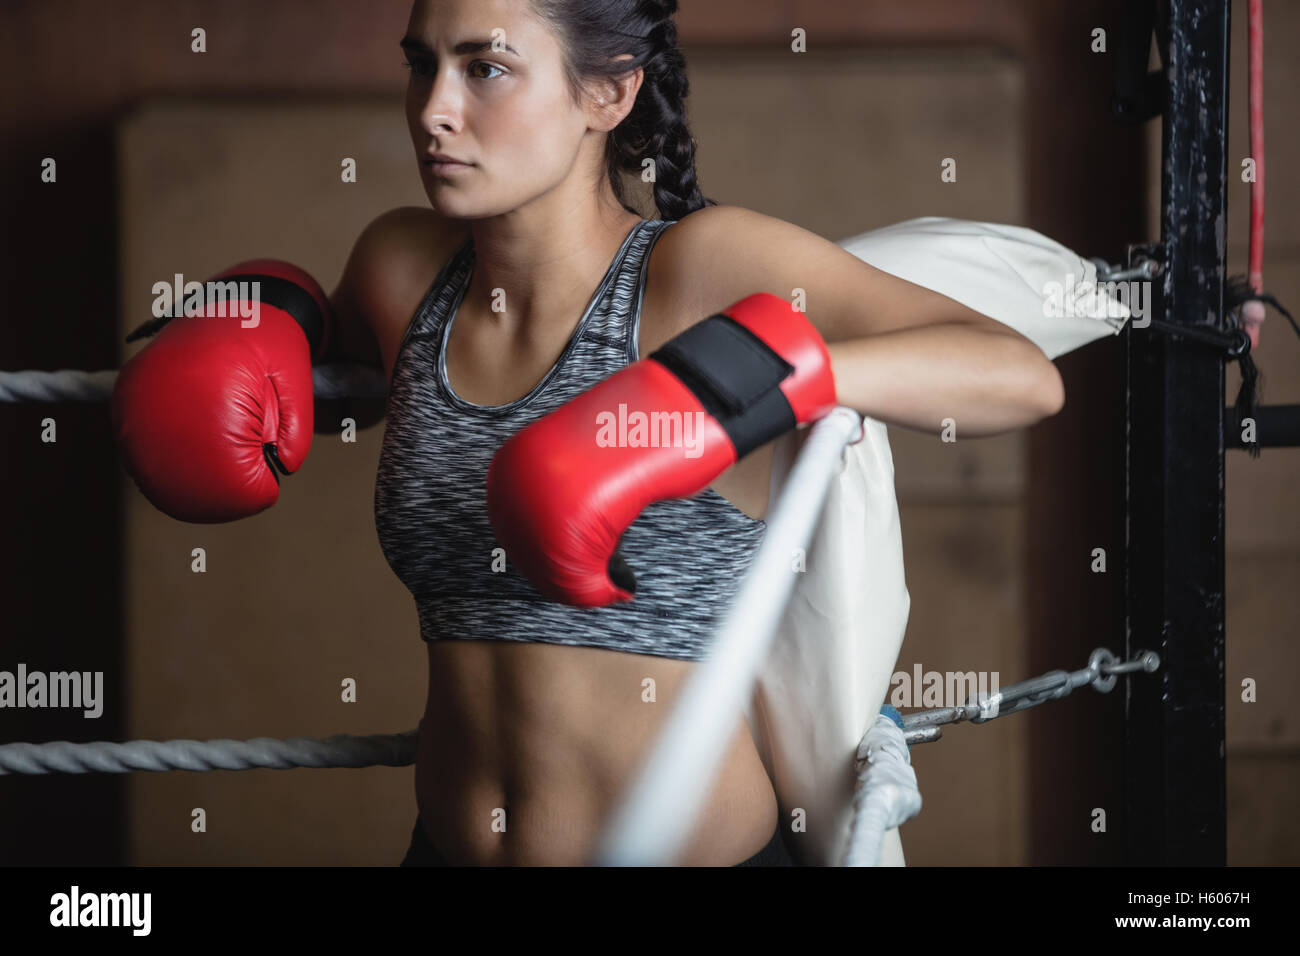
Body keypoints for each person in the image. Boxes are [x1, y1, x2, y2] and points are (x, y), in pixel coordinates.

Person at [116, 0, 1065, 866]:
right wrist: (252, 316)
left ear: (607, 94)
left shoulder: (695, 274)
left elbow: (1014, 371)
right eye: (421, 66)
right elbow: (306, 365)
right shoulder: (400, 268)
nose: (434, 109)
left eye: (485, 68)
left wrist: (733, 391)